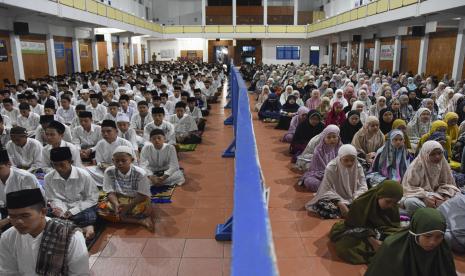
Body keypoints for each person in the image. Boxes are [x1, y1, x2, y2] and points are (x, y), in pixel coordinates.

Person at [0, 188, 89, 275]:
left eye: (25, 215)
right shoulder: (8, 237)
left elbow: (80, 273)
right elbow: (8, 271)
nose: (18, 222)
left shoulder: (70, 235)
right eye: (12, 216)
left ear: (43, 212)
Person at [329, 180, 403, 264]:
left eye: (395, 203)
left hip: (380, 230)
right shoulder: (360, 203)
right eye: (388, 201)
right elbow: (353, 226)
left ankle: (381, 250)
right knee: (345, 248)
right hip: (360, 233)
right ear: (379, 195)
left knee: (401, 239)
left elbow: (393, 226)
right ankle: (381, 251)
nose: (391, 206)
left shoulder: (393, 206)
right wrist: (373, 241)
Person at [365, 208, 457, 276]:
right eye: (427, 236)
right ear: (415, 231)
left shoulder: (443, 248)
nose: (433, 242)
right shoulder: (392, 247)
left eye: (439, 237)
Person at [44, 147, 99, 240]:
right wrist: (62, 212)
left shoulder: (83, 175)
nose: (58, 168)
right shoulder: (48, 177)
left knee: (90, 216)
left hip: (80, 208)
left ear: (70, 162)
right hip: (61, 209)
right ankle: (83, 228)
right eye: (55, 165)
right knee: (44, 214)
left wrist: (72, 211)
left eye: (62, 164)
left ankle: (64, 227)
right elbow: (53, 198)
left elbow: (92, 199)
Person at [98, 146, 155, 231]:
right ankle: (140, 221)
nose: (120, 163)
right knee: (101, 211)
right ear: (113, 161)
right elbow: (110, 192)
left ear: (131, 160)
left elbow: (142, 195)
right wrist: (116, 205)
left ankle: (124, 218)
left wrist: (127, 207)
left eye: (123, 161)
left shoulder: (140, 173)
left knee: (144, 209)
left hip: (137, 199)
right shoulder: (109, 171)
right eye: (117, 161)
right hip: (119, 199)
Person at [305, 144, 367, 219]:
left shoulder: (358, 166)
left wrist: (356, 197)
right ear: (340, 158)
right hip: (335, 198)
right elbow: (326, 189)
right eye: (346, 160)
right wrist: (339, 202)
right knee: (323, 204)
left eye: (352, 160)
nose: (349, 163)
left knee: (369, 202)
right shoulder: (331, 167)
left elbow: (363, 185)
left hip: (353, 196)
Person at [401, 141, 460, 215]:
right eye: (432, 154)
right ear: (425, 154)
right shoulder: (416, 166)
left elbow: (448, 184)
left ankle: (437, 213)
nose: (437, 157)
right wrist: (425, 197)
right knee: (410, 202)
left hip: (439, 195)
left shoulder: (443, 163)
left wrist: (444, 196)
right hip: (421, 197)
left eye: (439, 153)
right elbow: (408, 188)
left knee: (459, 198)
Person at [0, 149, 41, 231]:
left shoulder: (25, 178)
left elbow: (31, 205)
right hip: (6, 210)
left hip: (26, 212)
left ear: (9, 164)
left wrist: (7, 220)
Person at [301, 125, 342, 192]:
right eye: (328, 137)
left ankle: (329, 188)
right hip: (321, 175)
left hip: (337, 175)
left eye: (334, 137)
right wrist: (328, 173)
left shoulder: (342, 148)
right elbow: (316, 169)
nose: (332, 139)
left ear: (338, 137)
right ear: (323, 138)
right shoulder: (318, 150)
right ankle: (330, 188)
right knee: (310, 182)